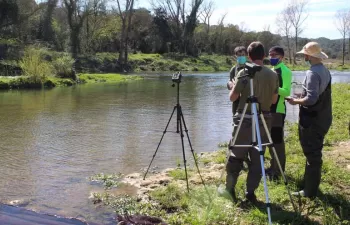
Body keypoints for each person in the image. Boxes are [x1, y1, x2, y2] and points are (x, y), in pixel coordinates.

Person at [226, 41, 279, 202]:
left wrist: (235, 85)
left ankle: (230, 190)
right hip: (264, 118)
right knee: (258, 158)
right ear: (264, 56)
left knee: (236, 155)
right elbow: (274, 100)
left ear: (249, 56)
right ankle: (251, 193)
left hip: (244, 118)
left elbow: (233, 97)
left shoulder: (243, 73)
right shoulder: (273, 75)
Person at [286, 42, 332, 198]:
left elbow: (311, 100)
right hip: (323, 118)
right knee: (314, 152)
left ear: (309, 56)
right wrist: (301, 96)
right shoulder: (325, 70)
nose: (303, 56)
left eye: (304, 54)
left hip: (312, 120)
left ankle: (309, 191)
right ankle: (310, 185)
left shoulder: (312, 73)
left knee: (312, 155)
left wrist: (295, 101)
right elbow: (317, 94)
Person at [266, 46, 292, 180]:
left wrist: (273, 86)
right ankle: (272, 167)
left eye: (274, 55)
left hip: (278, 111)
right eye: (270, 55)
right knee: (270, 141)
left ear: (281, 57)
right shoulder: (271, 70)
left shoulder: (285, 71)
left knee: (277, 141)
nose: (271, 57)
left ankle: (278, 171)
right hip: (267, 110)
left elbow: (287, 92)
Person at [227, 46, 248, 116]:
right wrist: (230, 84)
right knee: (236, 122)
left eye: (243, 55)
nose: (241, 57)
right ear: (235, 56)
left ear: (246, 55)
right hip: (236, 102)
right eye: (239, 55)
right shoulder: (233, 69)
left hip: (248, 101)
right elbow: (229, 82)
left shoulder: (250, 67)